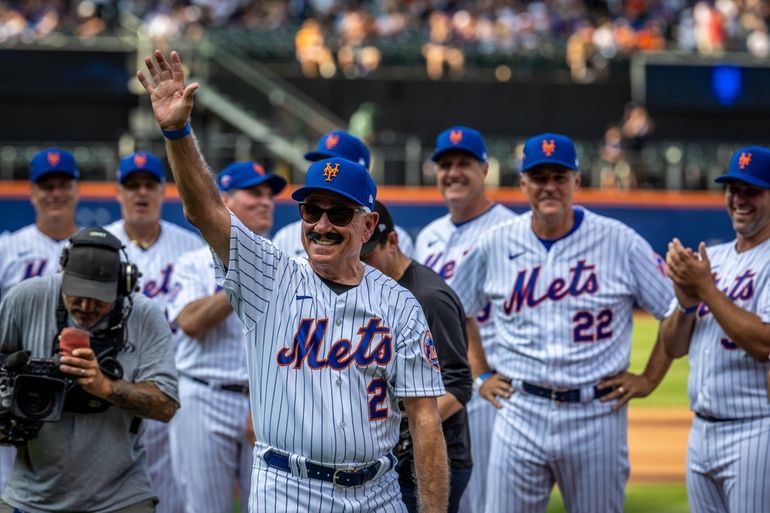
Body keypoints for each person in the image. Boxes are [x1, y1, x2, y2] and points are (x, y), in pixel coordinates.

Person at [137, 50, 448, 513]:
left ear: (367, 228)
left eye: (339, 213)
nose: (322, 224)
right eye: (311, 210)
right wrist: (177, 132)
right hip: (289, 488)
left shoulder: (399, 303)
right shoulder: (270, 275)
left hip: (378, 491)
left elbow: (425, 419)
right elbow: (205, 209)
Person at [450, 132, 676, 513]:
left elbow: (673, 309)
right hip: (520, 409)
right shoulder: (496, 242)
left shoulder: (619, 241)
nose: (549, 186)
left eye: (559, 176)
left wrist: (650, 377)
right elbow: (458, 310)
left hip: (595, 413)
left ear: (577, 181)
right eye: (539, 177)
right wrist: (482, 373)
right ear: (523, 183)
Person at [0, 227, 179, 512]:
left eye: (99, 297)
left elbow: (166, 406)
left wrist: (104, 387)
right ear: (62, 272)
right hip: (31, 494)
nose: (85, 306)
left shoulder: (145, 315)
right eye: (76, 293)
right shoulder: (25, 298)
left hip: (121, 495)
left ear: (123, 284)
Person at [167, 161, 286, 513]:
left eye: (269, 194)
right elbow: (189, 322)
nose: (265, 201)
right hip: (205, 395)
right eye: (254, 193)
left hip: (266, 403)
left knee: (272, 506)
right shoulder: (192, 261)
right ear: (225, 201)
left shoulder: (283, 261)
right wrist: (240, 280)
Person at [660, 146, 770, 513]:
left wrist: (705, 288)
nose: (739, 199)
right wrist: (687, 303)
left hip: (755, 430)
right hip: (702, 431)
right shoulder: (715, 258)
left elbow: (764, 343)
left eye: (751, 190)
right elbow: (673, 346)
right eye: (733, 189)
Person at [414, 125, 516, 513]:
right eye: (446, 164)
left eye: (464, 163)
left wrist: (485, 374)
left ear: (485, 170)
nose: (453, 172)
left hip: (485, 394)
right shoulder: (429, 235)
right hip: (432, 391)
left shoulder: (509, 229)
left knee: (488, 503)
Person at [104, 151, 203, 513]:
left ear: (163, 192)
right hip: (112, 387)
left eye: (149, 185)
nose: (141, 193)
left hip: (169, 388)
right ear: (119, 192)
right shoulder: (98, 246)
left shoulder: (191, 247)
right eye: (133, 186)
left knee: (172, 495)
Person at [360, 200, 472, 513]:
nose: (363, 264)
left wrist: (406, 425)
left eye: (369, 255)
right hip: (396, 457)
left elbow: (460, 384)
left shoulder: (428, 297)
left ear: (392, 242)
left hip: (434, 457)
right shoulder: (377, 291)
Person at [0, 147, 81, 491]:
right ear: (32, 192)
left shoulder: (96, 248)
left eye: (63, 183)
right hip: (16, 383)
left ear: (77, 189)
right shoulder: (7, 248)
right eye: (46, 185)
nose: (56, 193)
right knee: (12, 486)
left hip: (80, 381)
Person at [272, 129, 414, 258]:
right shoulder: (286, 238)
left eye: (339, 164)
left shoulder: (393, 239)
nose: (328, 170)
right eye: (321, 162)